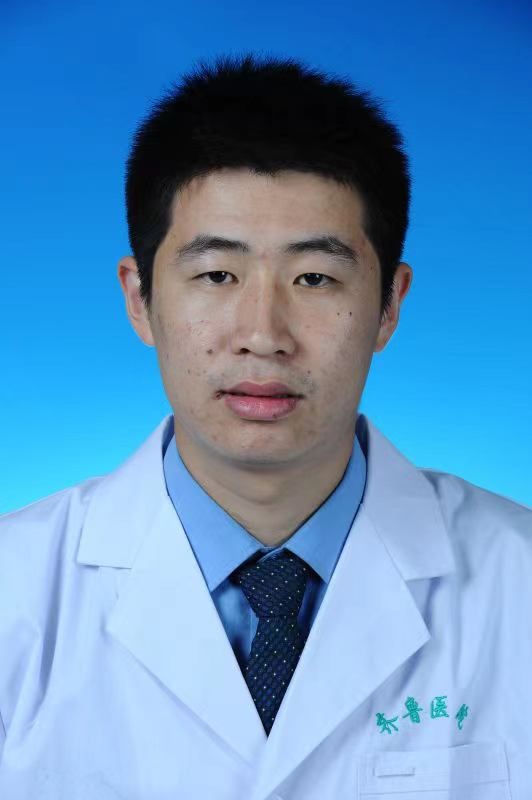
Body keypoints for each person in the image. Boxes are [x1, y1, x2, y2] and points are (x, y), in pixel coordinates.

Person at [0, 52, 530, 800]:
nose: (263, 334)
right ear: (139, 298)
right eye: (217, 275)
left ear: (390, 304)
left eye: (315, 278)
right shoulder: (15, 596)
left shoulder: (519, 583)